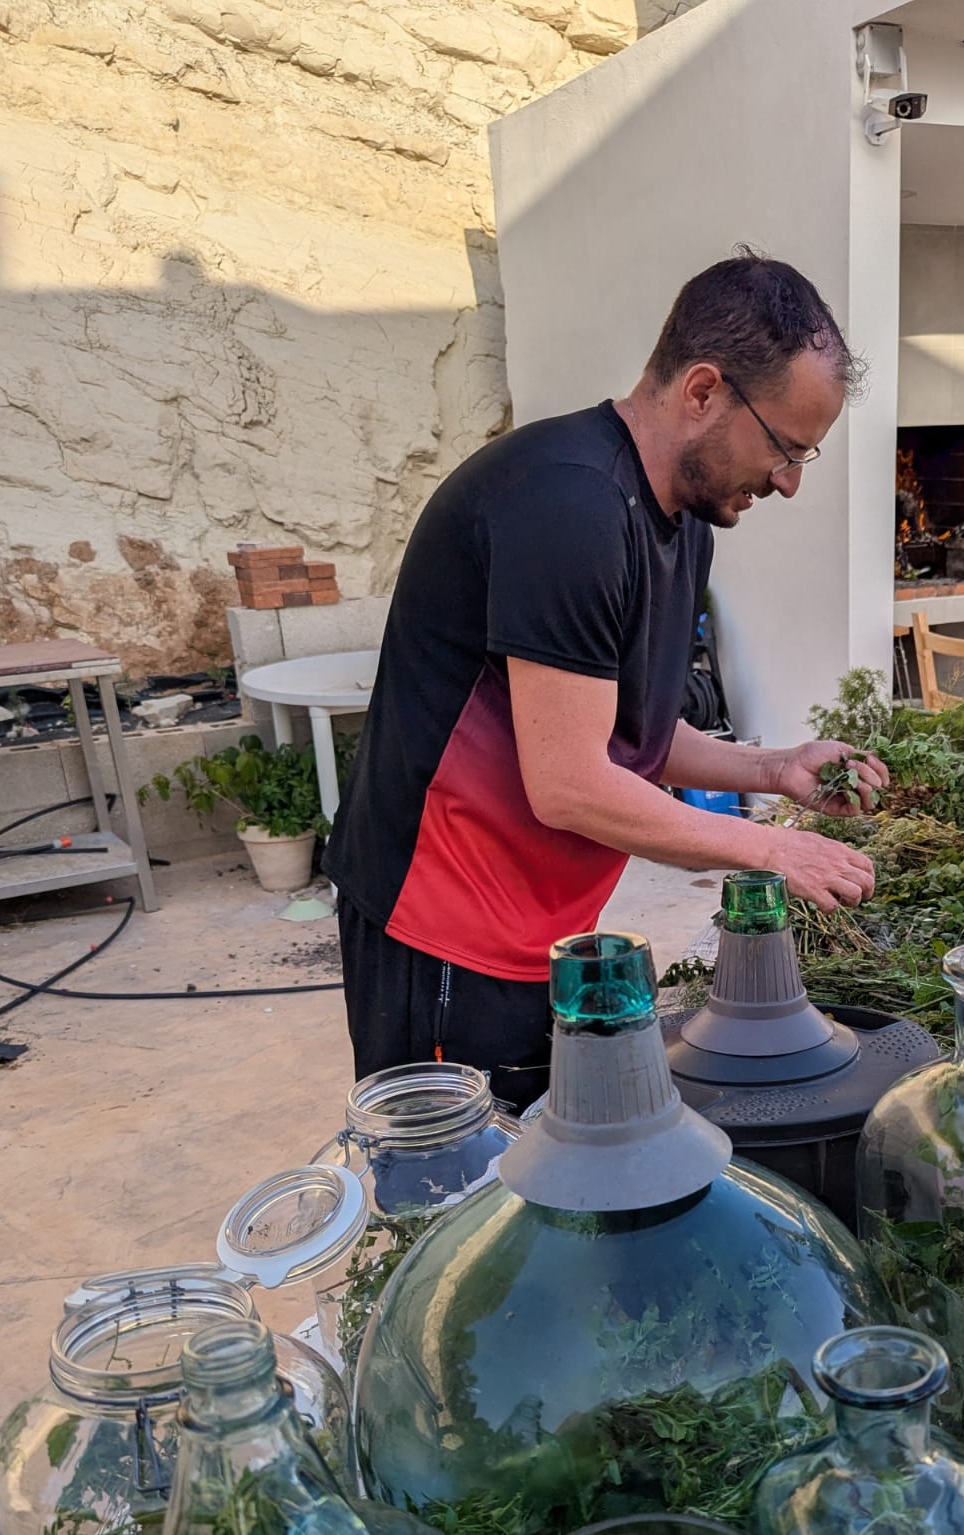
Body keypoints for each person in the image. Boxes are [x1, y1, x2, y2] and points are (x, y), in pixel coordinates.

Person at [324, 249, 887, 1110]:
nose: (790, 481)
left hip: (541, 924)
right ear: (703, 391)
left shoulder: (684, 521)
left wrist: (772, 772)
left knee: (550, 1166)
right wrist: (773, 849)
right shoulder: (566, 505)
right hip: (444, 929)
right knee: (456, 1196)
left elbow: (630, 735)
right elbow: (571, 785)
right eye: (784, 446)